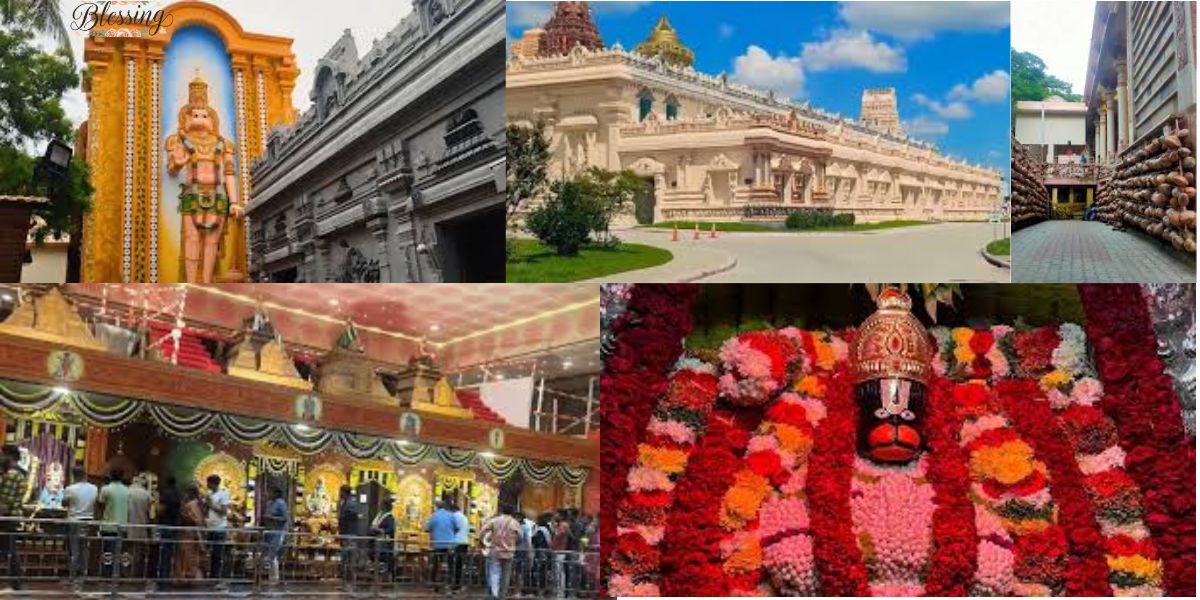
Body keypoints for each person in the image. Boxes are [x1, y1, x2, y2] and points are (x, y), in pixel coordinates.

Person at [62, 467, 98, 587]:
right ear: (85, 475)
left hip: (74, 520)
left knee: (74, 550)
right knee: (85, 549)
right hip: (89, 521)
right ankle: (84, 574)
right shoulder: (94, 488)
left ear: (74, 476)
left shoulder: (70, 489)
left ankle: (72, 577)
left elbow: (64, 503)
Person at [0, 446, 29, 591]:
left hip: (7, 517)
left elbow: (4, 502)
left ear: (9, 456)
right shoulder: (20, 473)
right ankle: (17, 579)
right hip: (12, 516)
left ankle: (17, 579)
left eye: (2, 454)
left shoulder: (11, 474)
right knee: (9, 548)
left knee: (10, 549)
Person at [480, 505, 522, 600]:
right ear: (512, 512)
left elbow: (483, 530)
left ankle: (494, 593)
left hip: (495, 551)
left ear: (502, 510)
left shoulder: (495, 520)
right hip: (509, 552)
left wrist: (482, 540)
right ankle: (502, 595)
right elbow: (520, 537)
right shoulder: (515, 523)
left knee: (494, 573)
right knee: (506, 574)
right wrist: (514, 542)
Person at [96, 468, 130, 579]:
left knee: (107, 553)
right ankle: (118, 575)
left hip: (108, 526)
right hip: (123, 526)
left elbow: (100, 505)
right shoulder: (127, 490)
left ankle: (107, 576)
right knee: (120, 552)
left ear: (110, 475)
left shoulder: (106, 489)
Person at [424, 498, 458, 592]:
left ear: (436, 507)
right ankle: (450, 584)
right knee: (450, 565)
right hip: (450, 544)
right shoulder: (451, 515)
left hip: (438, 544)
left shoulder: (434, 516)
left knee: (436, 565)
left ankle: (435, 585)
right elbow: (456, 528)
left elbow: (426, 528)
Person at [204, 474, 231, 587]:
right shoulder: (210, 494)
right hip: (210, 527)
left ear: (213, 483)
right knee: (210, 554)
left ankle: (219, 579)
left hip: (220, 528)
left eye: (208, 483)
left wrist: (211, 505)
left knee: (218, 554)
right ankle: (211, 577)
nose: (207, 485)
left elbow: (224, 511)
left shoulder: (223, 494)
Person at [176, 484, 206, 581]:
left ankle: (188, 573)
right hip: (195, 532)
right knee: (193, 554)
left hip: (189, 532)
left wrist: (185, 515)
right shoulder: (198, 503)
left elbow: (193, 518)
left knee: (187, 554)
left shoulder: (191, 504)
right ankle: (191, 573)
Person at [156, 477, 183, 587]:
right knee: (173, 554)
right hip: (176, 526)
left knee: (164, 555)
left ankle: (163, 580)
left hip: (166, 525)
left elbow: (161, 510)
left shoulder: (165, 493)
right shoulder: (179, 494)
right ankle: (172, 579)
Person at [127, 475, 152, 577]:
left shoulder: (127, 492)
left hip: (128, 525)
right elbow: (150, 511)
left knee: (128, 551)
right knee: (138, 552)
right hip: (141, 525)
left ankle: (127, 573)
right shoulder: (146, 494)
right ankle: (136, 574)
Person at [262, 487, 289, 583]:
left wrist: (272, 518)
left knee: (273, 553)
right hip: (270, 530)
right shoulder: (269, 503)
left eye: (270, 492)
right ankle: (271, 577)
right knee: (269, 553)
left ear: (276, 494)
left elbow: (285, 518)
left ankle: (274, 578)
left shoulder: (281, 503)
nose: (267, 494)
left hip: (278, 531)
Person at [337, 485, 361, 590]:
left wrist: (343, 518)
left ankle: (351, 584)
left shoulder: (351, 503)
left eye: (341, 492)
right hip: (346, 534)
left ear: (344, 492)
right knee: (345, 560)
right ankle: (346, 584)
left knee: (349, 561)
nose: (339, 494)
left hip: (350, 535)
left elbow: (354, 516)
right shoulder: (345, 503)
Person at [369, 497, 396, 582]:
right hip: (376, 542)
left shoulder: (389, 517)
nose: (380, 506)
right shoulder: (379, 515)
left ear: (385, 506)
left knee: (383, 560)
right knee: (376, 559)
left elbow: (391, 529)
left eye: (381, 505)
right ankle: (377, 577)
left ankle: (385, 578)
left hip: (384, 544)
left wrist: (380, 530)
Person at [448, 501, 470, 592]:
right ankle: (459, 584)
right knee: (460, 564)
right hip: (464, 542)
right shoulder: (464, 517)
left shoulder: (454, 516)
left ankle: (455, 584)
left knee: (453, 564)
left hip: (456, 542)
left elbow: (454, 528)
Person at [532, 514, 553, 596]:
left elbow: (537, 542)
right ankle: (544, 590)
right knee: (545, 572)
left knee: (540, 572)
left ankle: (540, 591)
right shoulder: (548, 529)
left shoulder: (540, 530)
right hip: (547, 553)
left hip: (541, 553)